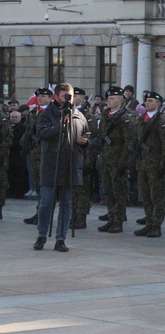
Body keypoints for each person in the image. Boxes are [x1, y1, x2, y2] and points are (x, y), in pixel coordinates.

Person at [33, 83, 90, 252]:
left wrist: (85, 142)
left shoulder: (79, 115)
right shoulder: (46, 114)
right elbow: (41, 133)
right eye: (65, 96)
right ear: (56, 97)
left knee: (66, 205)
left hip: (71, 164)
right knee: (46, 203)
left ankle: (61, 238)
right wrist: (60, 128)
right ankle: (42, 235)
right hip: (52, 164)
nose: (68, 99)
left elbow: (88, 135)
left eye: (70, 96)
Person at [132, 91, 165, 238]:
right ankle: (149, 223)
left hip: (155, 165)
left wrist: (163, 165)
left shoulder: (161, 122)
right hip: (142, 164)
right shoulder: (141, 120)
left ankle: (156, 225)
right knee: (145, 196)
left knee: (156, 197)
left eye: (150, 101)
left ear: (158, 104)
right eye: (146, 100)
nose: (147, 103)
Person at [95, 86, 135, 234]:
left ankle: (118, 220)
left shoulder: (125, 117)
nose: (109, 101)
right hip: (106, 158)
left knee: (119, 191)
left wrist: (123, 162)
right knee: (108, 191)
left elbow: (130, 141)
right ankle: (111, 217)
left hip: (118, 158)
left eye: (112, 98)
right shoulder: (106, 115)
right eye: (108, 98)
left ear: (120, 100)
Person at [21, 88, 54, 224]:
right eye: (39, 96)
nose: (40, 98)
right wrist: (24, 143)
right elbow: (28, 130)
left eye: (43, 96)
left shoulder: (53, 112)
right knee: (37, 184)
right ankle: (39, 213)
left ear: (51, 98)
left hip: (46, 153)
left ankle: (46, 215)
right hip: (34, 152)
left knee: (46, 185)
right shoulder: (33, 112)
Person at [70, 87, 98, 229]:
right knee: (71, 190)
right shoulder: (67, 113)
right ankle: (72, 216)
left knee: (82, 190)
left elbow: (91, 133)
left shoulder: (86, 115)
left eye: (76, 95)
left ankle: (81, 218)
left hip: (83, 155)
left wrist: (82, 139)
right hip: (69, 155)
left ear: (82, 98)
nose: (73, 98)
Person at [0, 108, 10, 218]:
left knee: (1, 182)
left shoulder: (2, 118)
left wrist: (2, 155)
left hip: (1, 155)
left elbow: (7, 139)